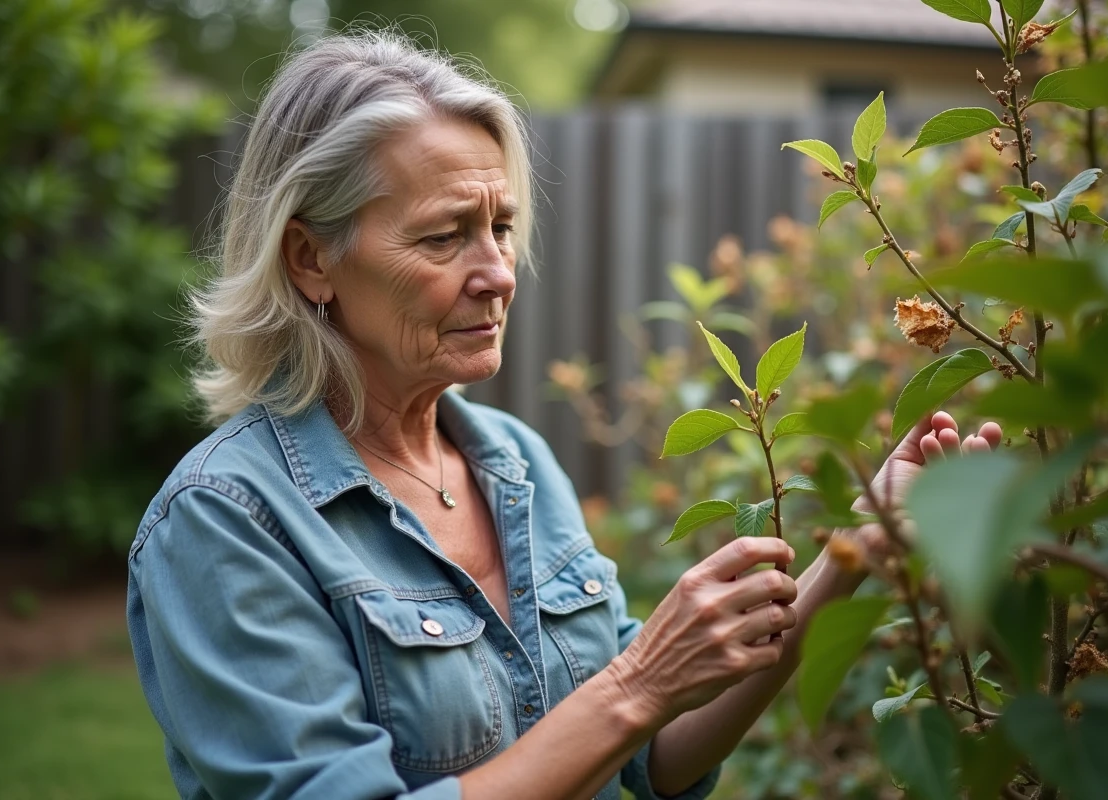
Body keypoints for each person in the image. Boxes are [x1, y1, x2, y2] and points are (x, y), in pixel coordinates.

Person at [126, 30, 1002, 800]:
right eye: (443, 236)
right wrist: (638, 682)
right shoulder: (226, 520)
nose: (499, 271)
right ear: (312, 258)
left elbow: (654, 757)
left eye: (501, 227)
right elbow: (633, 702)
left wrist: (851, 554)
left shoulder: (513, 460)